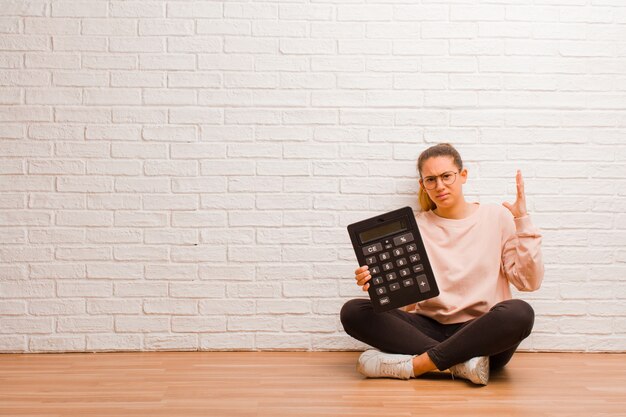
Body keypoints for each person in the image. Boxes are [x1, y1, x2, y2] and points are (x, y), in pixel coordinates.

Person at [340, 143, 543, 385]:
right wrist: (381, 283)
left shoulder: (497, 217)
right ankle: (462, 364)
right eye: (431, 180)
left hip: (482, 333)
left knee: (520, 312)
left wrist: (523, 221)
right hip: (428, 328)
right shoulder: (416, 225)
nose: (440, 186)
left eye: (447, 176)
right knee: (353, 311)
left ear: (463, 175)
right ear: (422, 185)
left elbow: (529, 282)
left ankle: (417, 365)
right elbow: (409, 302)